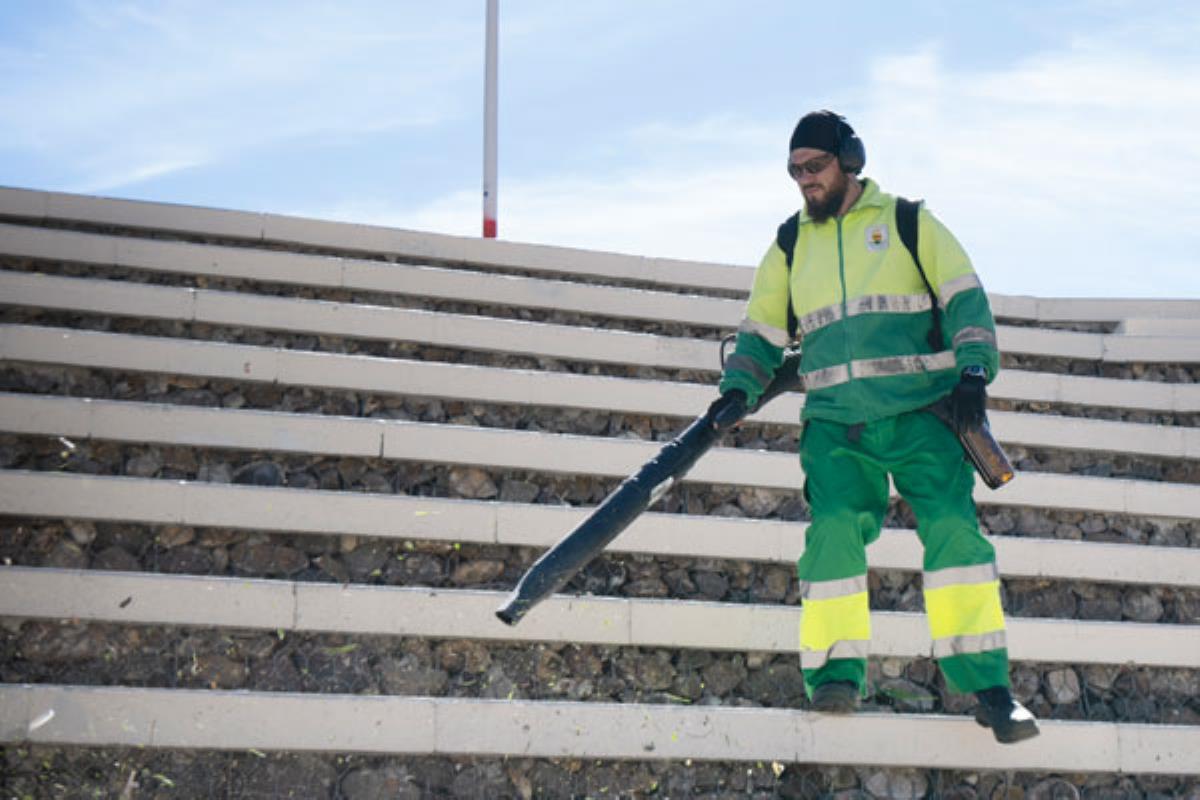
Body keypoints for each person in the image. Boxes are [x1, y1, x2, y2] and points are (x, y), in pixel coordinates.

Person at [709, 110, 1039, 744]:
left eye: (816, 166)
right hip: (838, 427)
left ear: (850, 160)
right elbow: (760, 332)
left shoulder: (908, 223)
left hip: (921, 415)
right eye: (794, 170)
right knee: (831, 535)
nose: (805, 180)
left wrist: (974, 373)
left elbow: (966, 297)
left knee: (954, 536)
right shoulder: (788, 245)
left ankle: (990, 689)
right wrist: (736, 391)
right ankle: (834, 676)